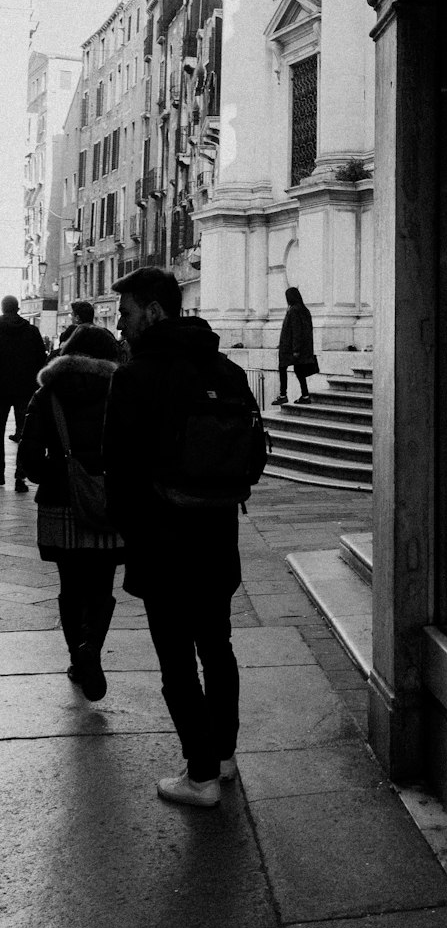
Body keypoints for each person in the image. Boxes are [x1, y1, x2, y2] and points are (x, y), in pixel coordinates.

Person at [103, 268, 263, 808]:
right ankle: (223, 757)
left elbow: (117, 472)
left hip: (161, 541)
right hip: (217, 535)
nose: (120, 326)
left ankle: (199, 776)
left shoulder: (133, 378)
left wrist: (130, 534)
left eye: (125, 313)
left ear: (152, 310)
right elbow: (255, 457)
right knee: (217, 646)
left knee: (175, 658)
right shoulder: (230, 370)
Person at [18, 325, 124, 699]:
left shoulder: (47, 395)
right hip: (108, 503)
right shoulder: (120, 392)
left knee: (70, 588)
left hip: (60, 505)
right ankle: (91, 647)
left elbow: (29, 461)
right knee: (102, 587)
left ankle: (77, 660)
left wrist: (62, 475)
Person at [0, 294, 47, 492]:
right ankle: (20, 477)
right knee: (23, 434)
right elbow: (40, 362)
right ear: (18, 308)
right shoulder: (32, 331)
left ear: (3, 309)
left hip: (0, 390)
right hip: (25, 390)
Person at [274, 286, 315, 405]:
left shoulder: (293, 310)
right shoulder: (304, 310)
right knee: (299, 370)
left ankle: (283, 395)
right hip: (300, 347)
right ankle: (305, 395)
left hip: (291, 348)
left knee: (282, 368)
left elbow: (296, 330)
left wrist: (295, 349)